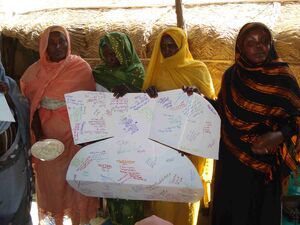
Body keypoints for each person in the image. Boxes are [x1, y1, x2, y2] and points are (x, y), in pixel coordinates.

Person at [211, 22, 300, 225]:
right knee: (232, 212)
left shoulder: (283, 78)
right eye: (251, 43)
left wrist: (278, 136)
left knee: (260, 214)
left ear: (271, 45)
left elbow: (297, 117)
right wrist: (195, 97)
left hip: (264, 165)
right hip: (231, 159)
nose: (259, 47)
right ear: (240, 48)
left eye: (264, 42)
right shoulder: (231, 76)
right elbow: (221, 111)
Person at [20, 25, 98, 225]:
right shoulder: (34, 73)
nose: (58, 46)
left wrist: (86, 138)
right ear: (44, 47)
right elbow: (32, 108)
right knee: (52, 185)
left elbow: (91, 104)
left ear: (68, 42)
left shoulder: (80, 68)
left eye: (61, 41)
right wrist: (41, 136)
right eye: (52, 43)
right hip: (49, 143)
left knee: (76, 182)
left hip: (76, 140)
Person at [143, 27, 216, 225]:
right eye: (163, 47)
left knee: (185, 195)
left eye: (172, 46)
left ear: (182, 46)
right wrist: (149, 94)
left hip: (189, 145)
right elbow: (146, 111)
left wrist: (198, 95)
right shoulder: (156, 70)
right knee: (162, 193)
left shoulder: (197, 69)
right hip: (163, 145)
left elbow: (211, 104)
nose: (167, 51)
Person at [93, 32, 145, 225]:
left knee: (132, 182)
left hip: (133, 139)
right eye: (106, 55)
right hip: (108, 138)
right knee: (113, 183)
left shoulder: (137, 72)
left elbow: (146, 107)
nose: (110, 59)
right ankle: (115, 219)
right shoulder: (99, 73)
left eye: (114, 54)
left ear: (125, 51)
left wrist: (131, 93)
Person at [0, 58, 32, 225]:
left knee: (21, 212)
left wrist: (6, 98)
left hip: (19, 163)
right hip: (4, 172)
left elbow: (24, 111)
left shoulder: (10, 85)